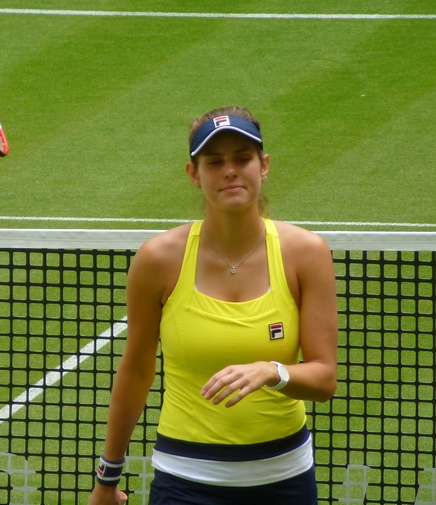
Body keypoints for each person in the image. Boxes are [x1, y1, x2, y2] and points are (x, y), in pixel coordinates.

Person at [89, 107, 339, 505]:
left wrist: (271, 371)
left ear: (264, 166)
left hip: (284, 482)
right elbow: (136, 370)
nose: (230, 171)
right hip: (185, 482)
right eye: (214, 161)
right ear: (194, 174)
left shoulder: (306, 254)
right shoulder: (158, 260)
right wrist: (107, 478)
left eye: (243, 158)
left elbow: (324, 380)